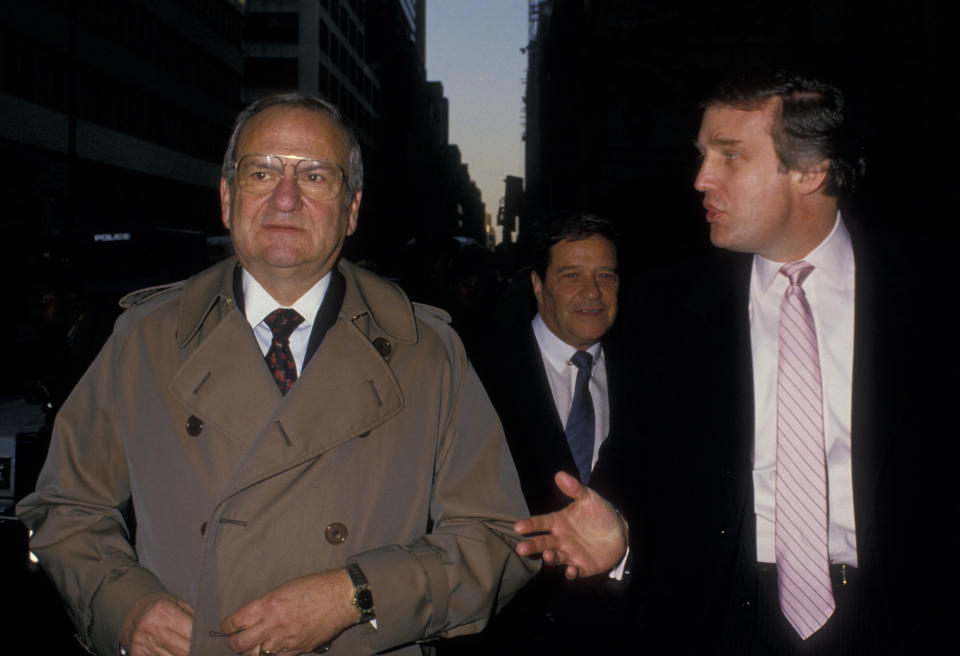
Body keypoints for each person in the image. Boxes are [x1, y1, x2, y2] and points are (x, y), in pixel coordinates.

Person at [17, 93, 537, 656]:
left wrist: (357, 596)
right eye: (261, 171)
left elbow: (500, 540)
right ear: (227, 196)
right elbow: (65, 508)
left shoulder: (429, 353)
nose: (284, 198)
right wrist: (124, 607)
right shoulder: (144, 339)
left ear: (352, 208)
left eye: (315, 176)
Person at [516, 69, 955, 654]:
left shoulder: (938, 295)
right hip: (724, 620)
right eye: (703, 155)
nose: (701, 179)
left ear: (811, 170)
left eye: (729, 156)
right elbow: (641, 475)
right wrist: (621, 539)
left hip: (907, 618)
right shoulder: (666, 313)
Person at [443, 213, 635, 655]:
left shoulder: (657, 376)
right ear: (536, 284)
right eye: (571, 276)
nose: (592, 292)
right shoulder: (473, 370)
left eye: (605, 274)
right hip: (504, 633)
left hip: (623, 630)